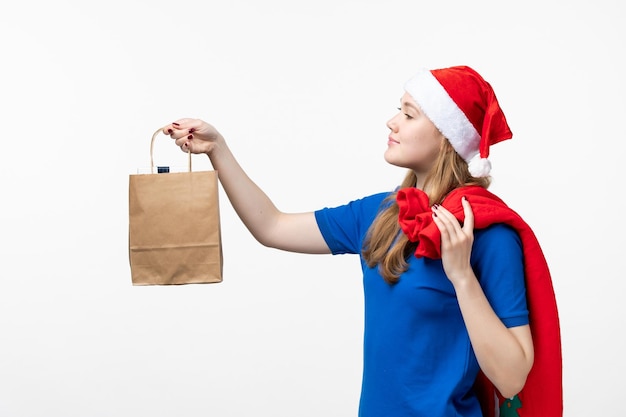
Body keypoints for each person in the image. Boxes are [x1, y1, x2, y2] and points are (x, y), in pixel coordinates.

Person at [162, 65, 562, 417]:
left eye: (408, 114)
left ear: (447, 137)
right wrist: (218, 149)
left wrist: (462, 276)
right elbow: (272, 227)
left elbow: (512, 378)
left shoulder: (486, 234)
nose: (392, 122)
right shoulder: (380, 214)